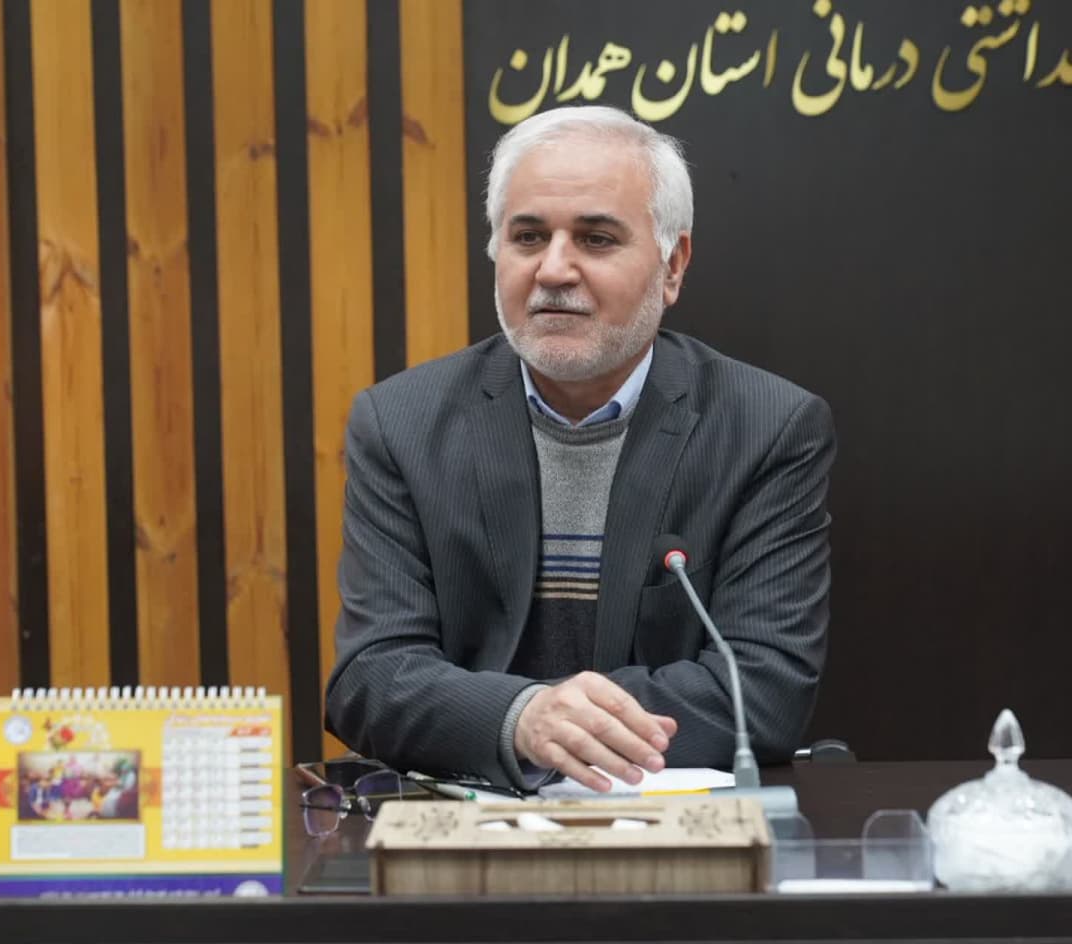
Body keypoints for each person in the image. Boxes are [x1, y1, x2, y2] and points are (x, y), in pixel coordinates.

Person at [325, 105, 835, 792]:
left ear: (672, 265)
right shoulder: (401, 424)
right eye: (528, 237)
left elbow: (762, 692)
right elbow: (371, 677)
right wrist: (520, 718)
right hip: (467, 821)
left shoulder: (765, 427)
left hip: (674, 828)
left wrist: (555, 721)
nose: (554, 270)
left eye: (596, 239)